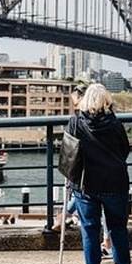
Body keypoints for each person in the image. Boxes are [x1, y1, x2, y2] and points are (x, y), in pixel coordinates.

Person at [66, 84, 132, 264]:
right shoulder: (115, 124)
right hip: (114, 182)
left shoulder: (75, 122)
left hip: (86, 184)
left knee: (89, 229)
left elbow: (68, 154)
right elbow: (125, 150)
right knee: (117, 227)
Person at [53, 84, 87, 232]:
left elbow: (68, 149)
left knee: (79, 193)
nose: (75, 106)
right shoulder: (109, 118)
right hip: (100, 171)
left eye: (76, 102)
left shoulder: (76, 121)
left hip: (80, 169)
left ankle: (62, 216)